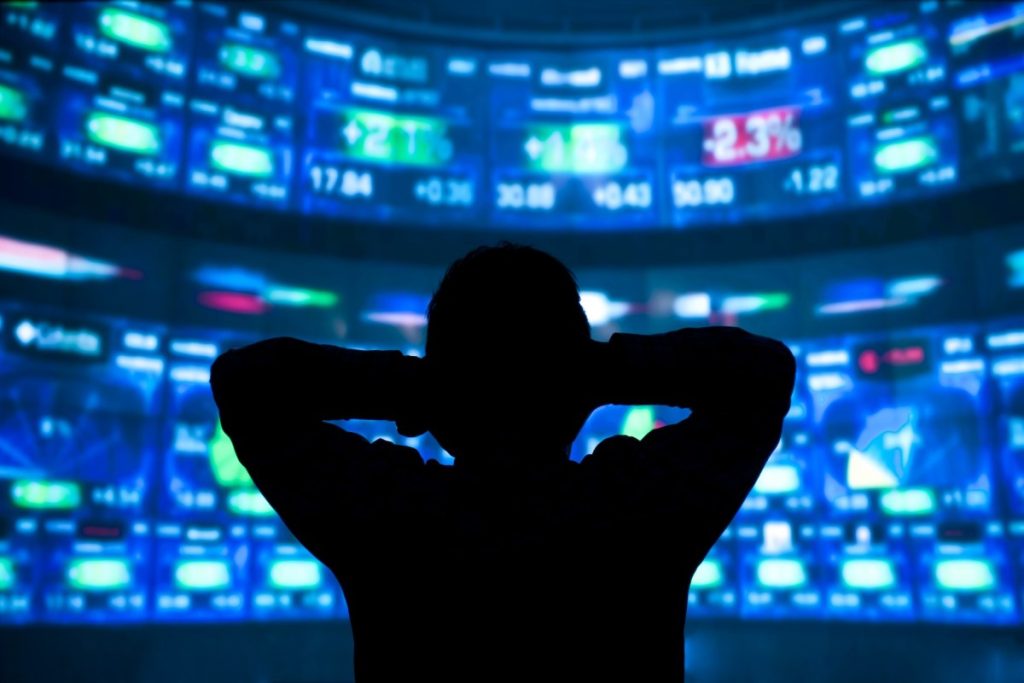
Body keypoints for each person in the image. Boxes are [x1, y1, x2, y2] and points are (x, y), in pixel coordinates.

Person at [210, 244, 796, 682]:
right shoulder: (637, 509)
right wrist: (594, 369)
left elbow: (248, 384)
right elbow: (762, 373)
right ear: (575, 381)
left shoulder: (391, 515)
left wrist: (423, 383)